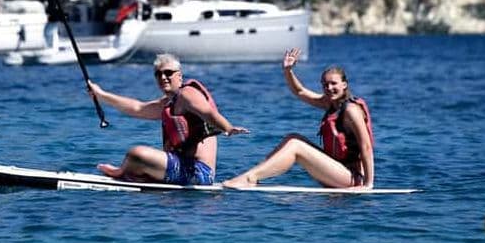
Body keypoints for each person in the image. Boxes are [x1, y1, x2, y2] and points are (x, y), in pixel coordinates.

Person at [87, 53, 249, 185]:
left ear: (179, 76)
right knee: (137, 159)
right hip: (181, 167)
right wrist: (101, 95)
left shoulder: (188, 94)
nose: (163, 77)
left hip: (198, 174)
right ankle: (134, 175)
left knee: (136, 154)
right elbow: (138, 108)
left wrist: (227, 128)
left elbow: (208, 113)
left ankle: (121, 173)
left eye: (168, 73)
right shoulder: (170, 102)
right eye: (158, 74)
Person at [224, 48, 374, 189]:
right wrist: (288, 70)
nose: (329, 88)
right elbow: (300, 92)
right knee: (293, 138)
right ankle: (253, 177)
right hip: (337, 169)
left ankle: (250, 178)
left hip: (352, 177)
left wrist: (368, 185)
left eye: (333, 84)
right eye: (325, 85)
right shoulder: (331, 104)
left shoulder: (351, 110)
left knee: (296, 145)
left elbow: (366, 146)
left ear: (344, 85)